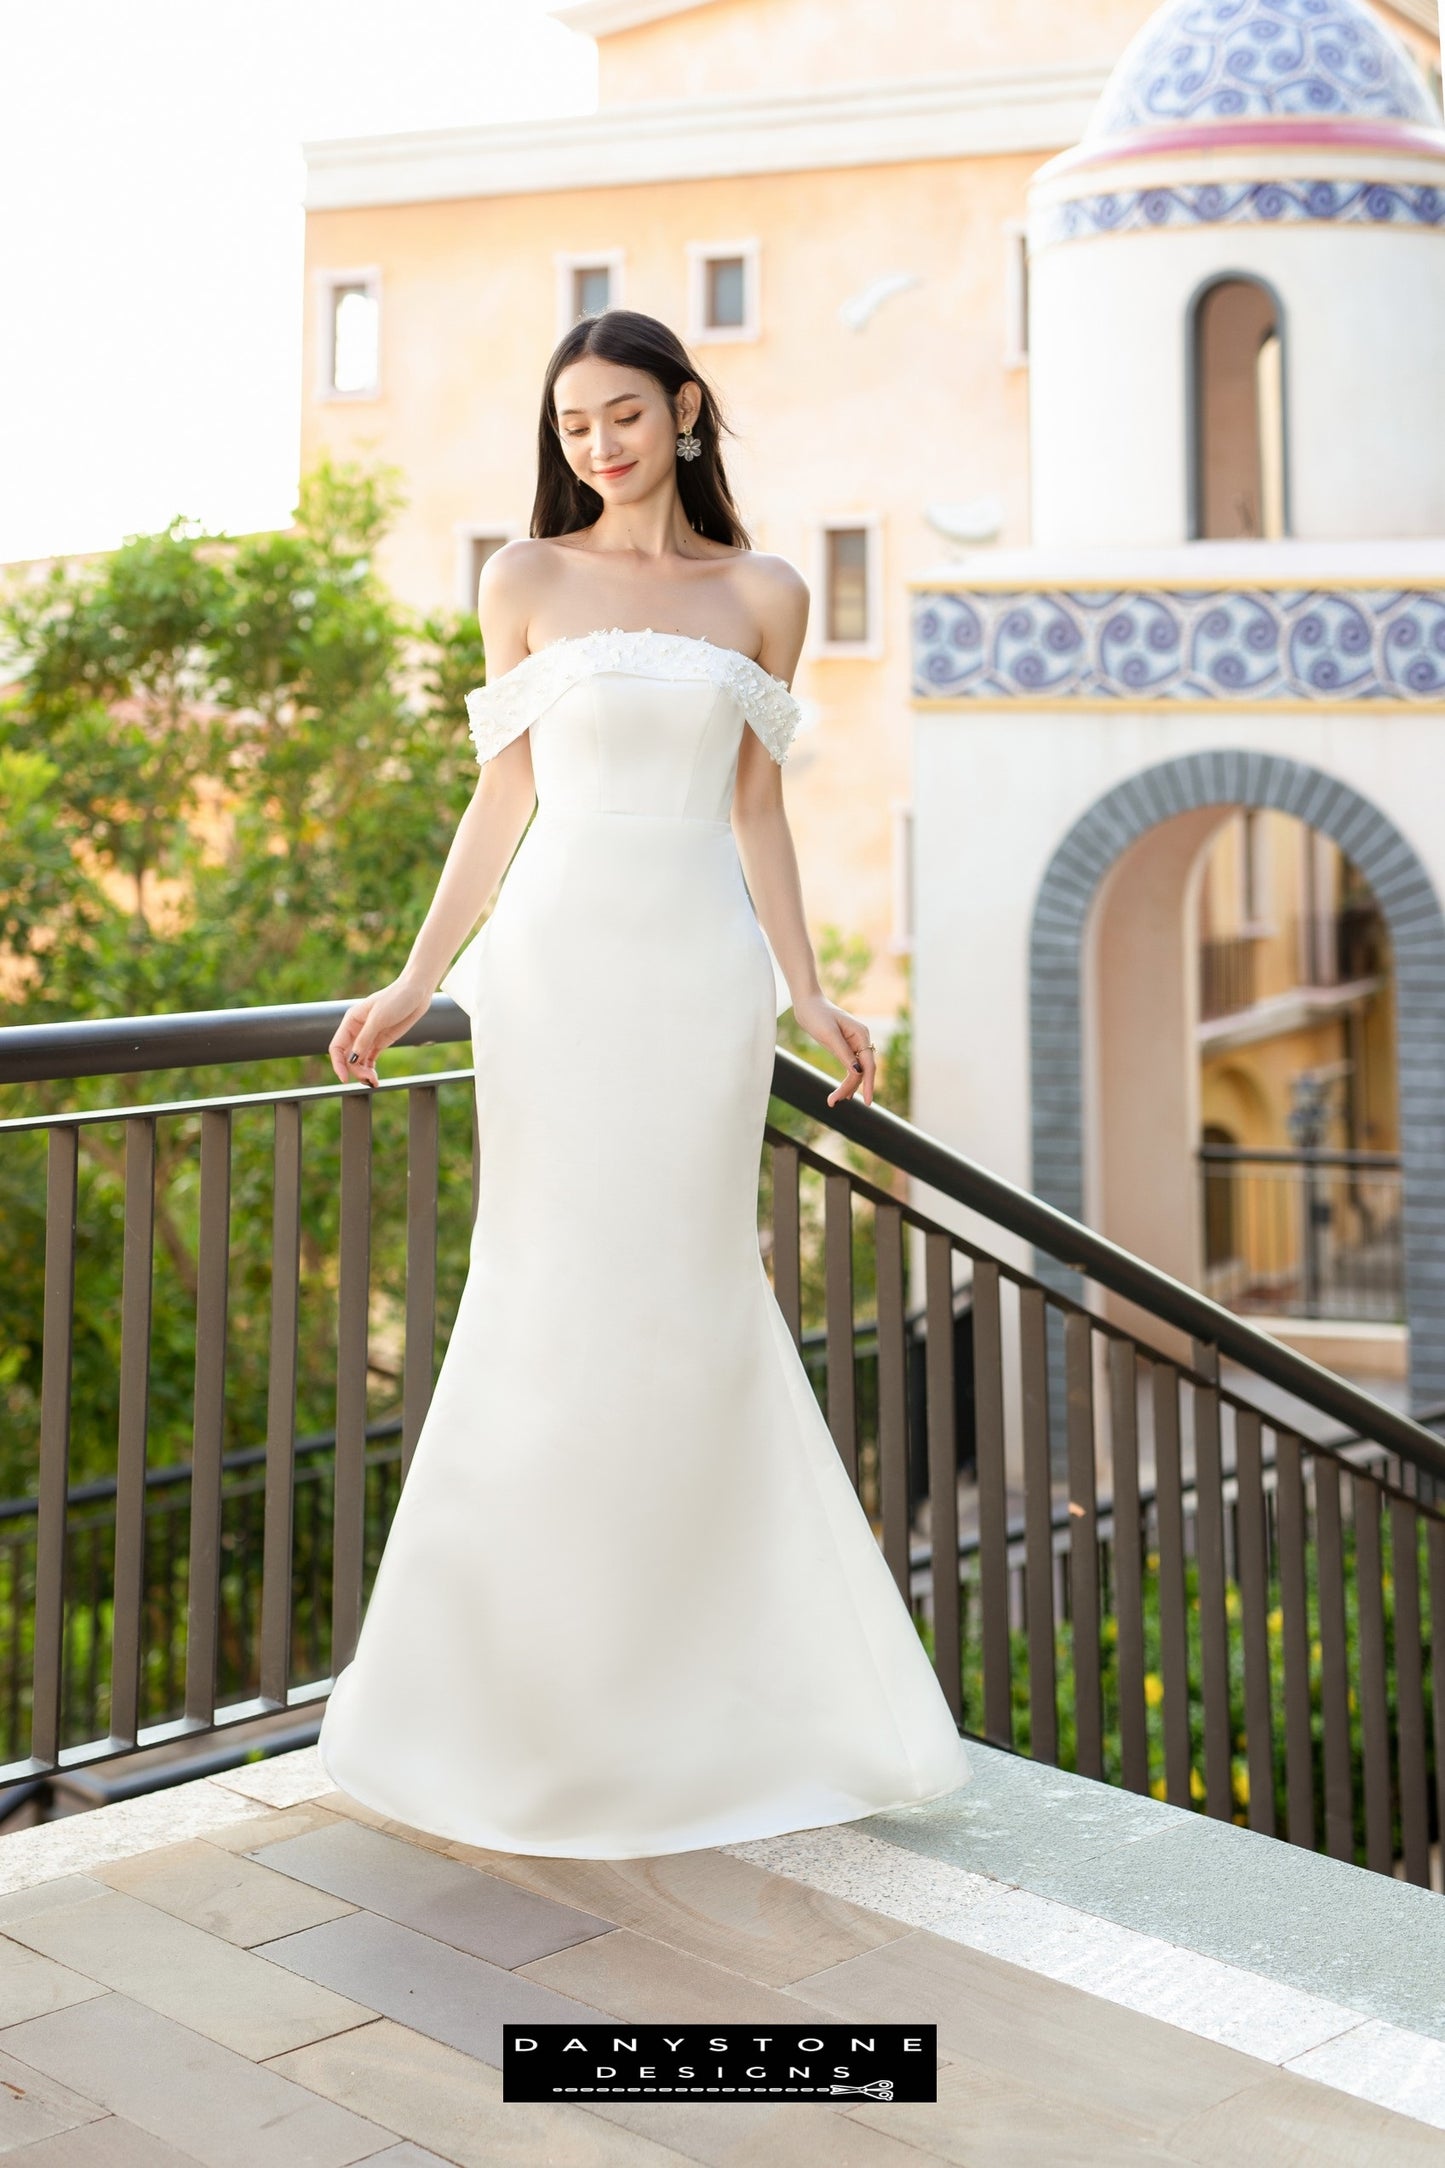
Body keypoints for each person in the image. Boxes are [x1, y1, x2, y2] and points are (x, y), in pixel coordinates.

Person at [316, 308, 971, 1858]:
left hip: (697, 979)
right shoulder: (522, 580)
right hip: (552, 972)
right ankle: (517, 1704)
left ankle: (712, 1696)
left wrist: (805, 985)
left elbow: (757, 805)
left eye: (620, 415)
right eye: (570, 427)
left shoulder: (766, 592)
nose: (596, 446)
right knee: (542, 1296)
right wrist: (421, 976)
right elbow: (505, 791)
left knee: (691, 1302)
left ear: (684, 411)